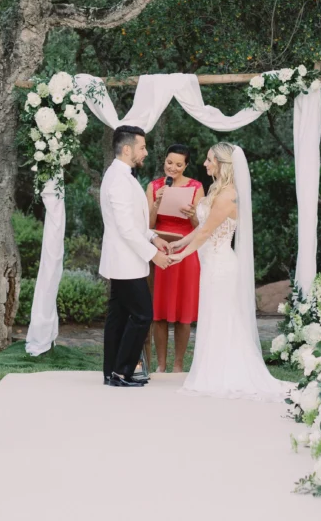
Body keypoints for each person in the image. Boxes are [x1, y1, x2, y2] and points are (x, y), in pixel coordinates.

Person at [167, 143, 287, 402]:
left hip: (221, 265)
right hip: (212, 262)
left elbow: (208, 232)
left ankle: (223, 374)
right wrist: (180, 241)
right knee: (213, 317)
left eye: (210, 160)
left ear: (222, 164)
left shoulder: (227, 195)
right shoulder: (215, 191)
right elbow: (204, 228)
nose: (205, 164)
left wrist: (181, 255)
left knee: (221, 317)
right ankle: (213, 371)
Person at [99, 126, 172, 388]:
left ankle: (112, 372)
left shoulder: (122, 175)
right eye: (142, 147)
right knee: (142, 316)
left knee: (118, 316)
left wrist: (153, 237)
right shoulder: (118, 179)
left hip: (124, 260)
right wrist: (153, 255)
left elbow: (134, 222)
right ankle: (122, 372)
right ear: (127, 148)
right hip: (125, 261)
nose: (146, 152)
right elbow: (125, 228)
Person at [146, 144, 204, 373]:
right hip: (159, 250)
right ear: (164, 161)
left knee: (183, 312)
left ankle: (178, 364)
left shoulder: (196, 187)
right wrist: (157, 204)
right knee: (158, 311)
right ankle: (161, 365)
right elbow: (146, 226)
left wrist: (193, 217)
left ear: (186, 165)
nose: (173, 168)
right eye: (169, 163)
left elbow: (202, 228)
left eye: (179, 164)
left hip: (186, 253)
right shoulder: (153, 186)